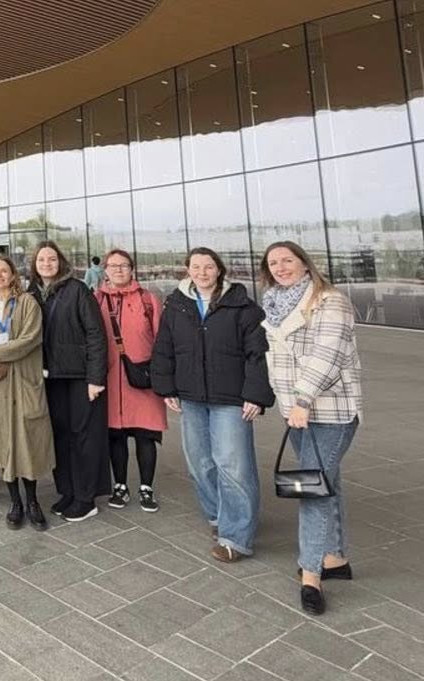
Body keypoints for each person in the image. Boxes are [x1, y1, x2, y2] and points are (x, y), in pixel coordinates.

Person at [152, 247, 275, 563]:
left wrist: (255, 395)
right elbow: (164, 348)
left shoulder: (242, 306)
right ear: (188, 271)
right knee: (200, 464)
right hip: (191, 397)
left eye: (208, 267)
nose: (202, 272)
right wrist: (166, 387)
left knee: (233, 465)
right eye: (196, 267)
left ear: (219, 270)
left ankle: (236, 536)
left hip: (231, 399)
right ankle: (219, 515)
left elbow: (259, 353)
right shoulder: (176, 305)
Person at [260, 241, 363, 616]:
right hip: (295, 411)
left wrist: (303, 399)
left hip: (328, 410)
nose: (280, 267)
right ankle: (335, 558)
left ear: (305, 263)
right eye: (273, 263)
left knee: (311, 489)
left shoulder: (329, 301)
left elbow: (328, 354)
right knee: (324, 481)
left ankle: (311, 574)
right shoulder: (274, 303)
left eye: (287, 260)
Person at [28, 241, 110, 522]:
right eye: (41, 259)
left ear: (60, 261)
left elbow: (96, 334)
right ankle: (68, 491)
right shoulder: (31, 293)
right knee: (60, 436)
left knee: (83, 436)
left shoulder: (77, 290)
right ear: (34, 264)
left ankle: (86, 498)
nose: (47, 264)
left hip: (79, 376)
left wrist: (95, 378)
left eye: (51, 259)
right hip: (49, 378)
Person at [0, 256, 53, 530]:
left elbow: (30, 340)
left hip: (23, 383)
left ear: (13, 275)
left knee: (27, 443)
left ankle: (33, 502)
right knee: (4, 445)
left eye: (4, 270)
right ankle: (15, 503)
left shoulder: (28, 303)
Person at [95, 249, 166, 513]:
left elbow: (162, 339)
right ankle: (120, 485)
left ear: (132, 268)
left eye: (123, 265)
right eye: (113, 265)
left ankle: (146, 487)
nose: (118, 270)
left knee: (146, 435)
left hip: (143, 377)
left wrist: (164, 376)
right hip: (110, 379)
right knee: (116, 436)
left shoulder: (148, 299)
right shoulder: (96, 299)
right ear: (105, 270)